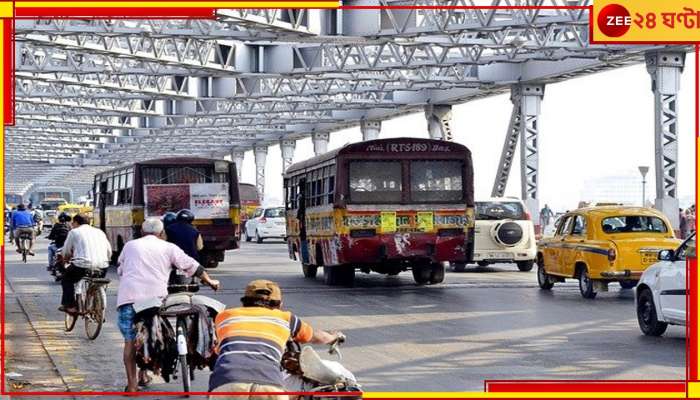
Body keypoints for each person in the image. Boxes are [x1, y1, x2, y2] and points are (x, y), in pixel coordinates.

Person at [116, 217, 220, 393]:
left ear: (142, 232)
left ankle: (132, 385)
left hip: (128, 299)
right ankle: (146, 371)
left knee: (130, 342)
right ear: (162, 233)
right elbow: (193, 266)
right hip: (154, 301)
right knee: (154, 336)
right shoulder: (169, 247)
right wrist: (210, 281)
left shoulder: (130, 246)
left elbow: (121, 269)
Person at [209, 279, 343, 398]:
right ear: (279, 305)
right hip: (269, 385)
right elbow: (316, 337)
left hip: (226, 383)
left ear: (245, 301)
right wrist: (334, 337)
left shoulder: (224, 316)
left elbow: (217, 350)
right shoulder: (286, 318)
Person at [59, 214, 112, 314]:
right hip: (103, 266)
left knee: (67, 279)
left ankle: (70, 306)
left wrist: (65, 260)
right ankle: (97, 303)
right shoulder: (99, 232)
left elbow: (66, 252)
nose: (72, 225)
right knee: (98, 282)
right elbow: (109, 251)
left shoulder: (74, 232)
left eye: (73, 223)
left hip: (81, 266)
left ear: (76, 222)